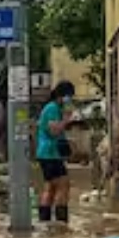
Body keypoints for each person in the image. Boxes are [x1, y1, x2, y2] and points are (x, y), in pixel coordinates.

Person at [35, 81, 75, 224]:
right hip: (49, 153)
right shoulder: (52, 108)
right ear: (63, 96)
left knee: (50, 187)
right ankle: (61, 223)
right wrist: (66, 119)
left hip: (49, 153)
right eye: (70, 97)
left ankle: (45, 222)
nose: (71, 100)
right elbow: (54, 130)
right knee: (63, 185)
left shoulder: (54, 108)